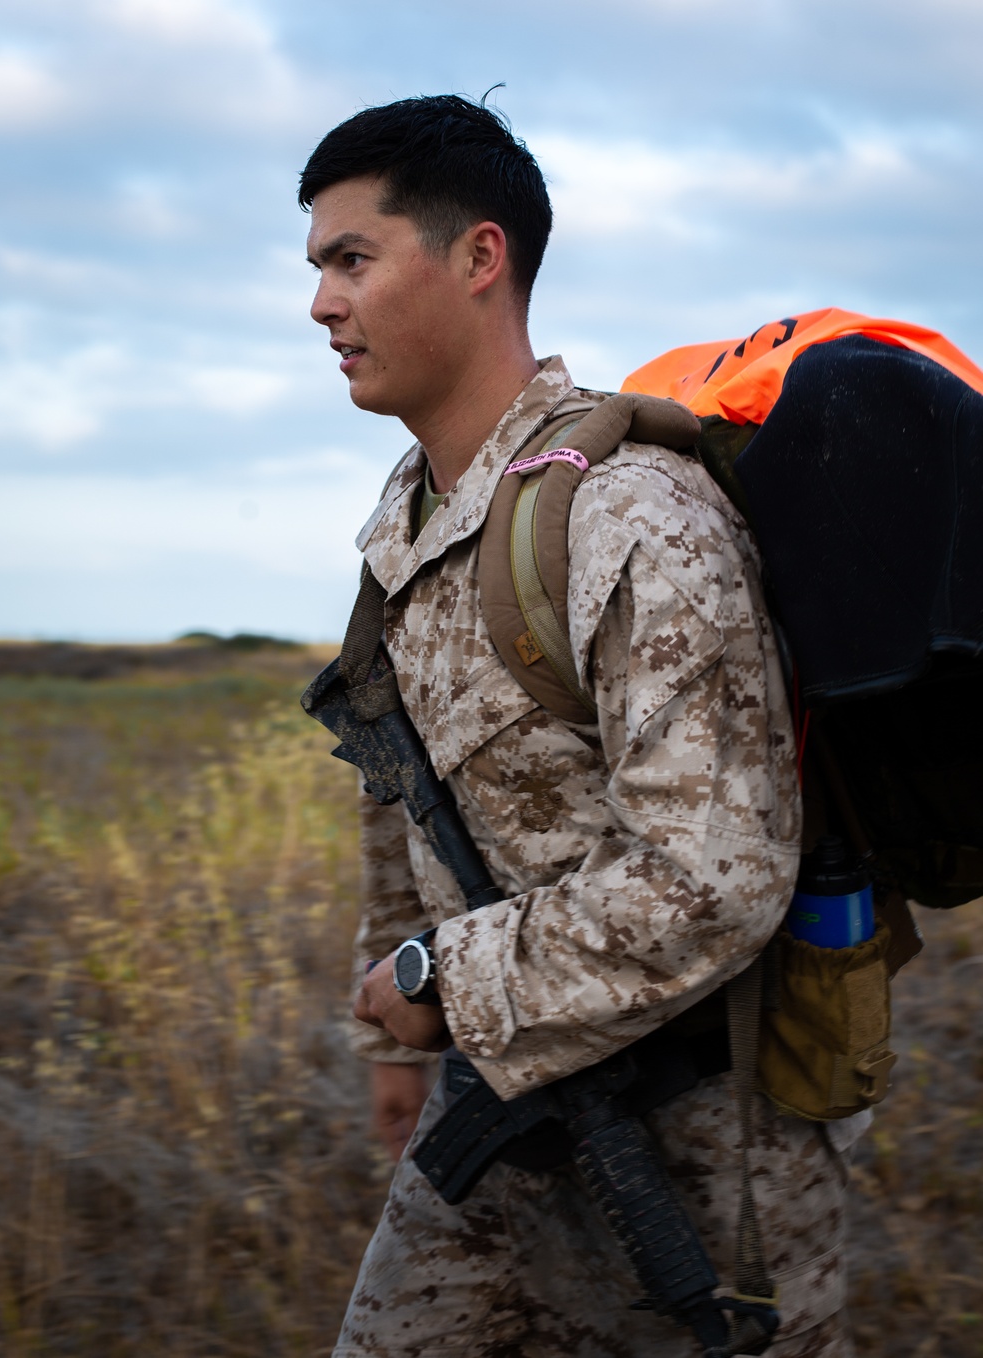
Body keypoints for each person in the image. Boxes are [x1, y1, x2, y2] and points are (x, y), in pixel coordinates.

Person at [300, 94, 865, 1358]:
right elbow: (399, 787)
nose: (322, 305)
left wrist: (448, 982)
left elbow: (716, 874)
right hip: (494, 1123)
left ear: (479, 257)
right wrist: (390, 1025)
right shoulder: (405, 522)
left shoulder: (629, 516)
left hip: (703, 1167)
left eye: (352, 259)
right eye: (317, 268)